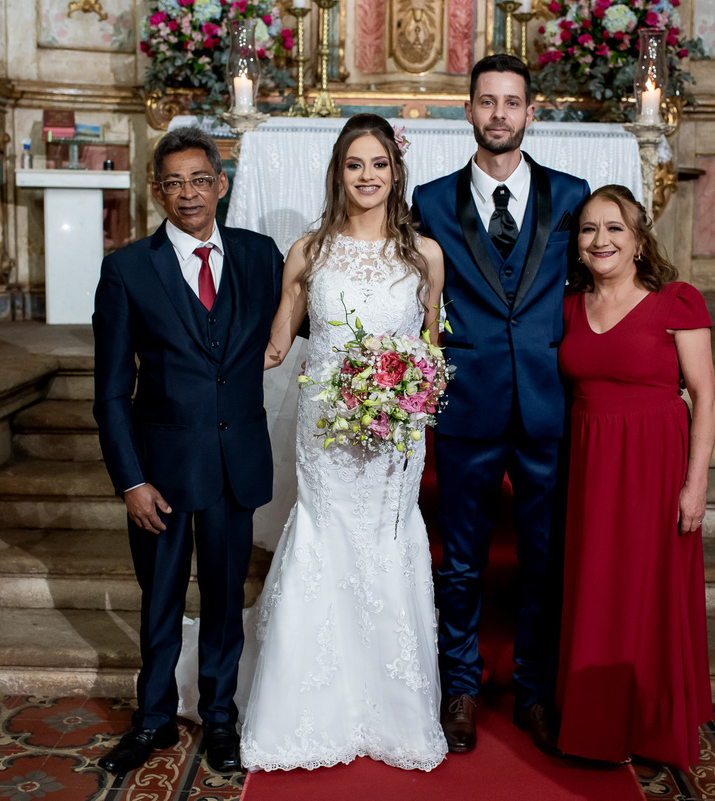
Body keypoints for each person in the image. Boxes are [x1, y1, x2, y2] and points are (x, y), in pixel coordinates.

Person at [233, 113, 448, 772]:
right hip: (326, 431)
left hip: (394, 440)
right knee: (326, 537)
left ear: (395, 171)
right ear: (337, 172)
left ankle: (392, 706)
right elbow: (275, 342)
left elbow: (430, 349)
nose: (367, 176)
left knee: (386, 540)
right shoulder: (308, 252)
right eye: (355, 164)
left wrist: (412, 390)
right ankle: (304, 705)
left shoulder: (425, 256)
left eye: (378, 164)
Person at [410, 54, 589, 755]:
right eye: (487, 102)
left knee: (545, 559)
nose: (499, 115)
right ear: (469, 111)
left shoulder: (573, 197)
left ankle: (536, 689)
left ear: (531, 113)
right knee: (461, 559)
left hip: (548, 405)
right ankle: (460, 683)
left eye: (512, 103)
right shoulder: (427, 200)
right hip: (467, 405)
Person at [91, 126, 284, 776]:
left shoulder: (261, 256)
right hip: (162, 470)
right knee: (162, 601)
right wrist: (130, 480)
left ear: (221, 184)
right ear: (156, 191)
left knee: (227, 598)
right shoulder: (126, 270)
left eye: (200, 179)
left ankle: (221, 716)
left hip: (236, 464)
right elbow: (112, 391)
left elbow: (318, 313)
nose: (187, 193)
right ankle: (152, 717)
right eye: (173, 182)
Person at [555, 184, 715, 771]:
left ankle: (652, 726)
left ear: (640, 240)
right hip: (591, 463)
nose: (602, 240)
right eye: (590, 229)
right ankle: (595, 724)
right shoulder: (569, 307)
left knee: (651, 595)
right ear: (577, 246)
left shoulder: (677, 301)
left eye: (615, 228)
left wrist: (694, 485)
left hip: (654, 464)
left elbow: (705, 397)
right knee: (597, 590)